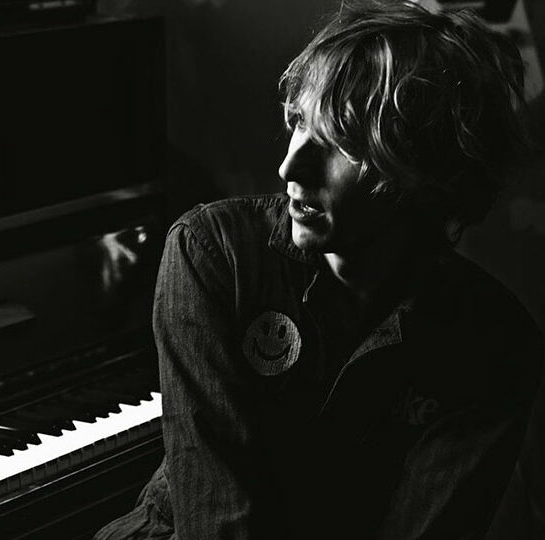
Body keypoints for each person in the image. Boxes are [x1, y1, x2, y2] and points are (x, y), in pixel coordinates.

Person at [95, 1, 543, 538]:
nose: (290, 166)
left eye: (340, 143)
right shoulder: (215, 252)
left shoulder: (493, 341)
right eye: (300, 123)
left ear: (425, 169)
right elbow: (215, 519)